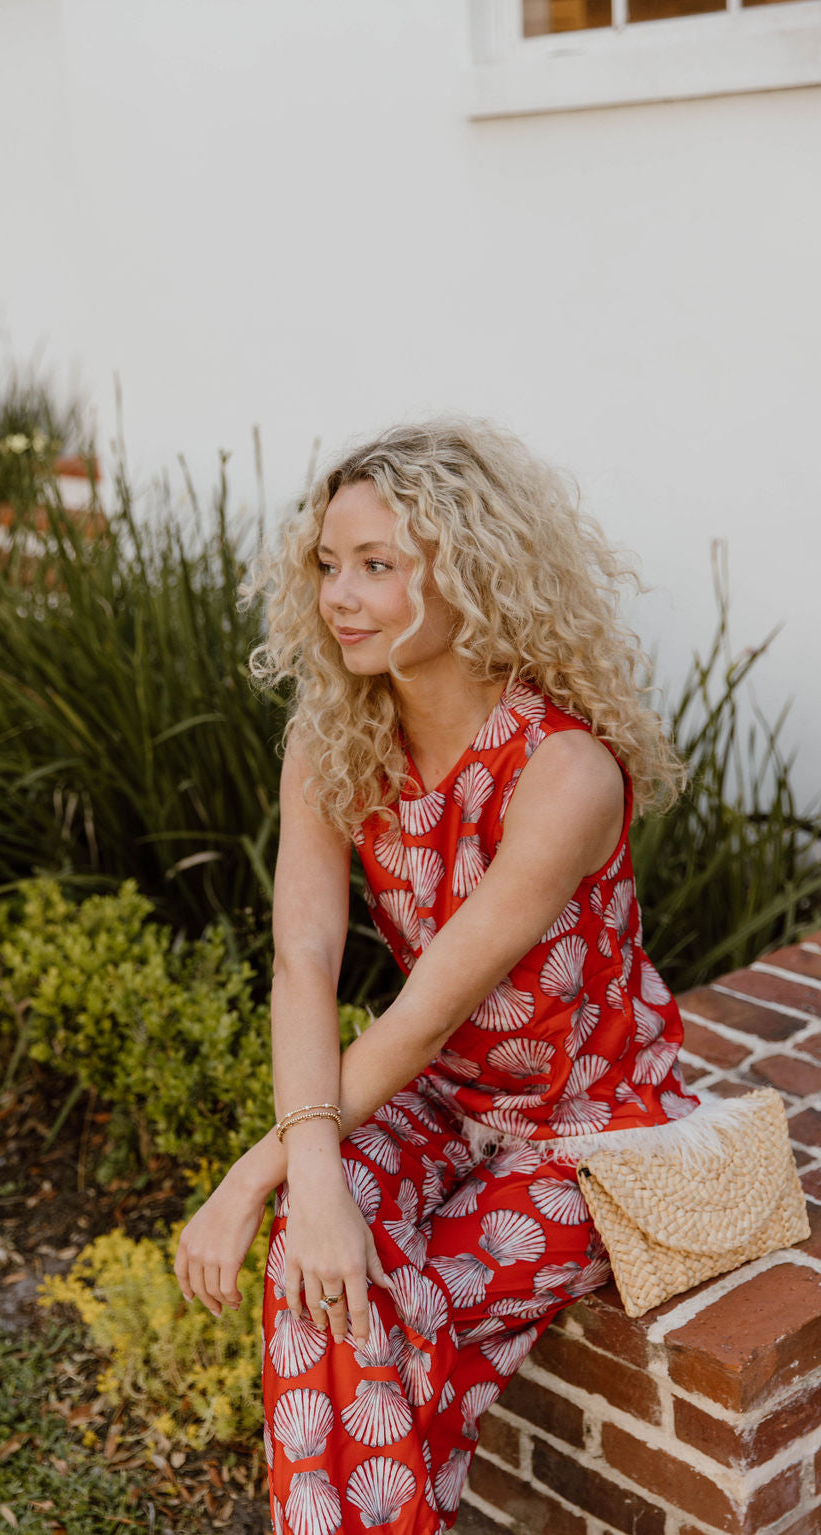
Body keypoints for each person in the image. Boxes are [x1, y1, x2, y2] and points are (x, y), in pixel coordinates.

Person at [174, 419, 699, 1534]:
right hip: (444, 1101)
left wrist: (249, 1180)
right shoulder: (330, 738)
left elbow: (418, 1012)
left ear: (472, 575)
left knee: (367, 1307)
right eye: (327, 564)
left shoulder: (563, 771)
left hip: (591, 1128)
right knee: (322, 1267)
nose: (339, 596)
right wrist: (311, 1183)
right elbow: (303, 960)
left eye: (378, 565)